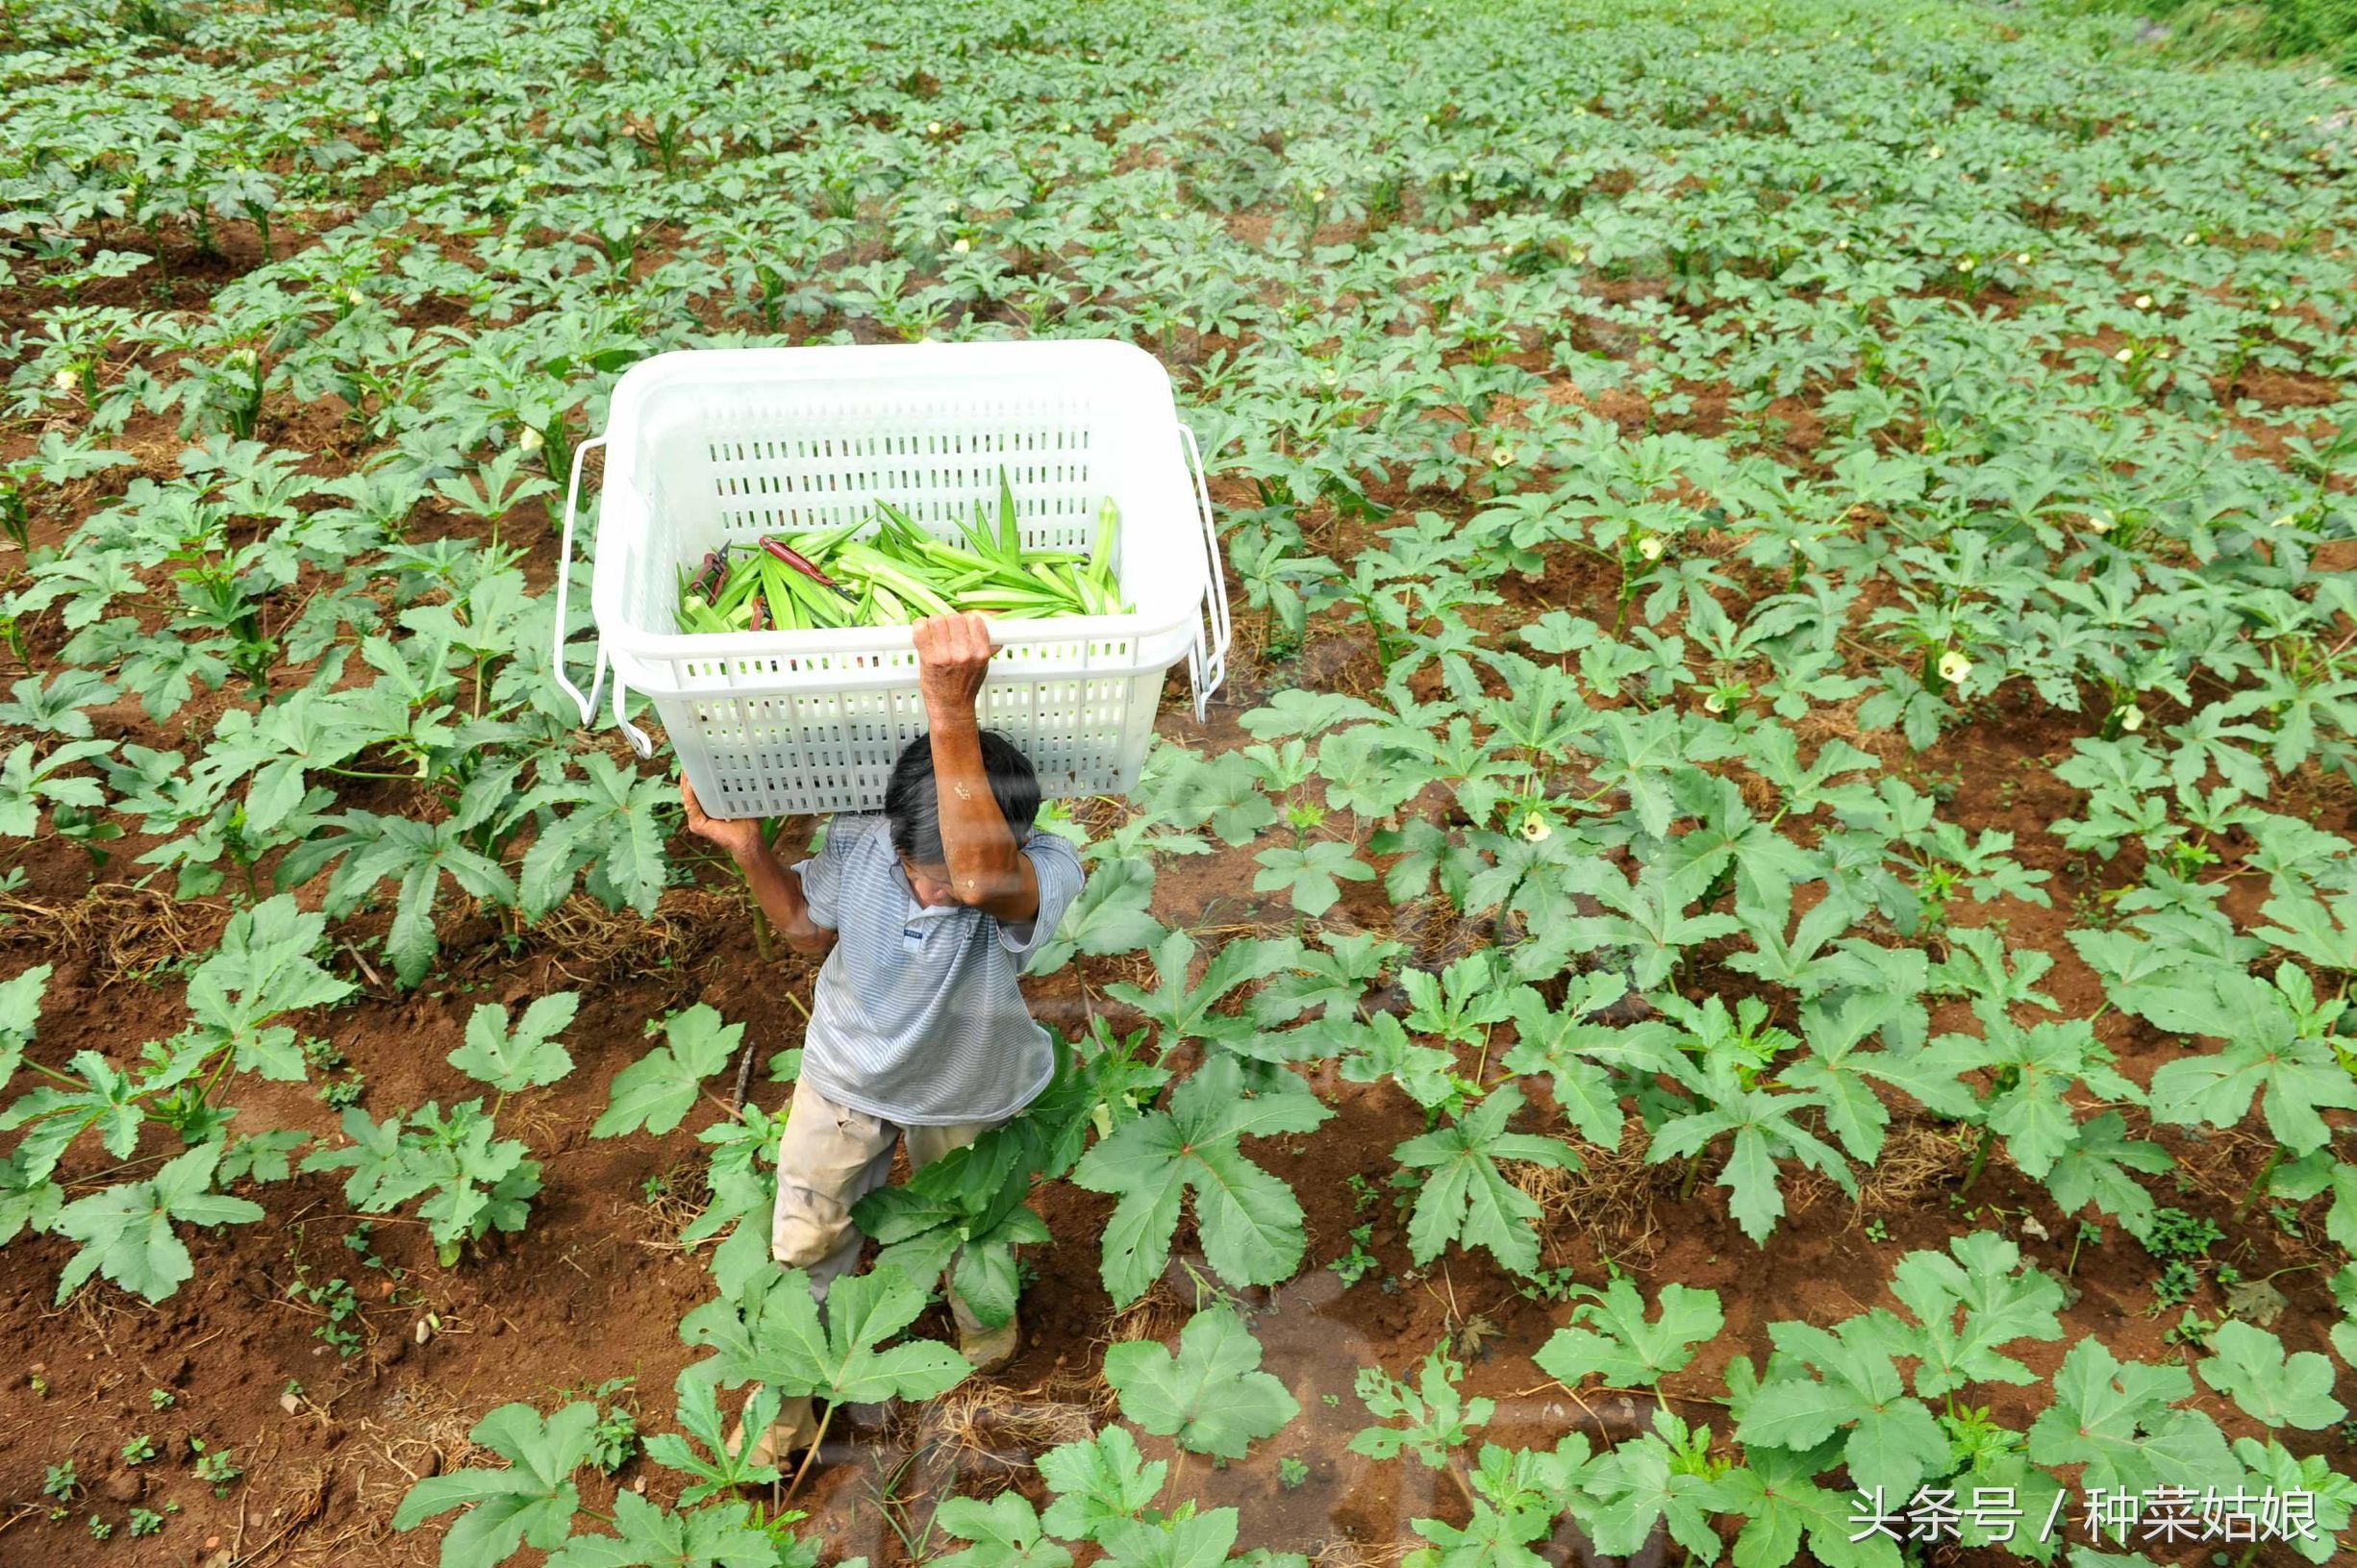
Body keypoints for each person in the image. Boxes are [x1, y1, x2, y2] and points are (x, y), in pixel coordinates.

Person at [680, 611, 1086, 1463]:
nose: (941, 898)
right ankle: (788, 1412)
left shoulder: (1043, 865)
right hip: (847, 1076)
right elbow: (800, 924)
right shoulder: (865, 837)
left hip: (966, 1084)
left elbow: (978, 877)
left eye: (956, 884)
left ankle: (985, 1354)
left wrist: (947, 701)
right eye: (921, 878)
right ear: (892, 839)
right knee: (808, 1243)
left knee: (971, 1232)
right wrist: (750, 851)